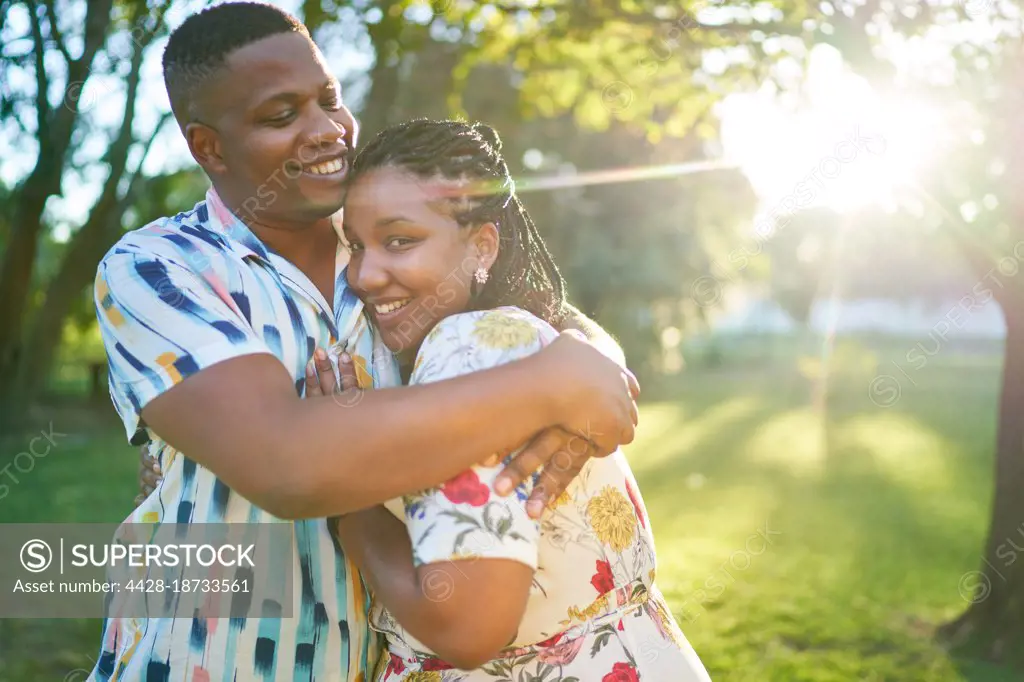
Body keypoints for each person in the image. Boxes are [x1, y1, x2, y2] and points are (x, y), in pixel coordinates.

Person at [90, 3, 639, 681]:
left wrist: (591, 363)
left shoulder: (384, 240)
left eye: (328, 99)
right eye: (281, 115)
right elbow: (287, 466)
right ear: (209, 147)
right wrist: (545, 389)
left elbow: (530, 312)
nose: (326, 131)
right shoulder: (158, 268)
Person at [300, 118, 712, 681]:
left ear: (482, 245)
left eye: (400, 241)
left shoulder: (466, 346)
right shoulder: (522, 336)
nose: (365, 275)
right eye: (356, 244)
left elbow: (468, 628)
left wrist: (348, 502)